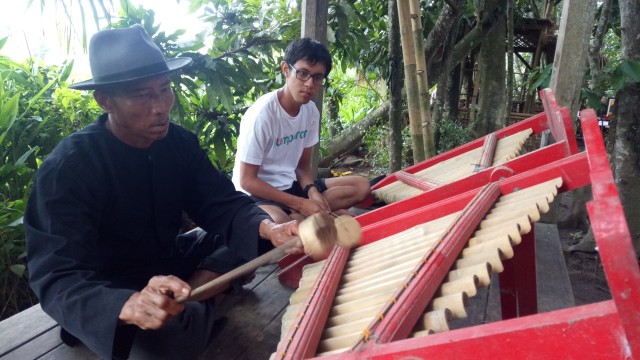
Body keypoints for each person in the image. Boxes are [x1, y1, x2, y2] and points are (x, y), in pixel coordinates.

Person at [24, 25, 302, 360]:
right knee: (168, 341)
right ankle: (197, 301)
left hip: (169, 262)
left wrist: (272, 230)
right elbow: (56, 274)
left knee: (253, 232)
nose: (160, 106)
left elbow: (221, 203)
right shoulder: (69, 168)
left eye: (165, 89)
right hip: (113, 289)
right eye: (142, 95)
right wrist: (128, 304)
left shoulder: (179, 143)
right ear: (105, 101)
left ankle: (190, 300)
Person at [231, 38, 371, 224]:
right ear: (286, 70)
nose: (309, 84)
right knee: (280, 221)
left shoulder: (310, 111)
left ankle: (304, 215)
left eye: (317, 77)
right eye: (303, 73)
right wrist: (300, 203)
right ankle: (300, 215)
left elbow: (302, 166)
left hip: (291, 186)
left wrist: (312, 193)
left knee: (361, 186)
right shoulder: (263, 115)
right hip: (257, 195)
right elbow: (247, 181)